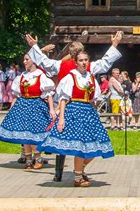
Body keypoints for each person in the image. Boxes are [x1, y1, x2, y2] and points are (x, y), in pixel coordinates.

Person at [38, 50, 114, 187]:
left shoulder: (91, 77)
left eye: (86, 60)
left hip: (89, 113)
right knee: (80, 146)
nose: (84, 63)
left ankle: (80, 169)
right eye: (81, 60)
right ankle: (78, 177)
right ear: (76, 62)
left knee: (100, 143)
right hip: (74, 113)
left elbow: (95, 97)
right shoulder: (70, 77)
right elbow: (63, 99)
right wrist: (61, 119)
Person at [0, 53, 56, 170]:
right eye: (24, 59)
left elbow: (48, 94)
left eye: (27, 59)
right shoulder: (21, 77)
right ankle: (28, 159)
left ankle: (38, 157)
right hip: (23, 106)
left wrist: (51, 109)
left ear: (34, 61)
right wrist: (12, 109)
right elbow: (16, 95)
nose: (24, 62)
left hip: (36, 107)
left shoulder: (40, 76)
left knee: (34, 134)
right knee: (24, 134)